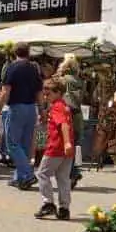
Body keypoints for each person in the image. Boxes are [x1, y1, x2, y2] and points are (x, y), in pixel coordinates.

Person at [0, 42, 43, 190]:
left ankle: (27, 174)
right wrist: (42, 111)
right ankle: (19, 178)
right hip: (31, 108)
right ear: (28, 52)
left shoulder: (12, 67)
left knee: (12, 144)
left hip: (17, 108)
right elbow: (39, 92)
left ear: (14, 53)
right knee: (25, 145)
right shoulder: (34, 68)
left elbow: (5, 91)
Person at [34, 77, 75, 220]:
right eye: (44, 94)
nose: (45, 96)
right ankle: (64, 208)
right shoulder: (63, 105)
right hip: (65, 150)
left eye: (48, 93)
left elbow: (63, 124)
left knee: (42, 174)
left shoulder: (57, 106)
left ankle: (48, 203)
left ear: (58, 92)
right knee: (63, 178)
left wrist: (67, 143)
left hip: (56, 147)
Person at [56, 55, 84, 187]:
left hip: (65, 115)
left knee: (63, 144)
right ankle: (73, 172)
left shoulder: (62, 80)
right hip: (77, 115)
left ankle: (69, 173)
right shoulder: (80, 81)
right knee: (74, 144)